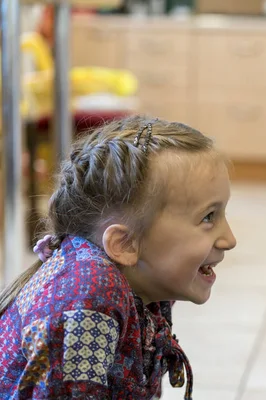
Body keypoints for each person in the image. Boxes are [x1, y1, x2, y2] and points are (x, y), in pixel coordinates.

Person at [0, 116, 237, 399]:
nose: (229, 239)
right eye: (208, 217)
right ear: (124, 244)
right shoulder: (88, 300)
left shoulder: (146, 280)